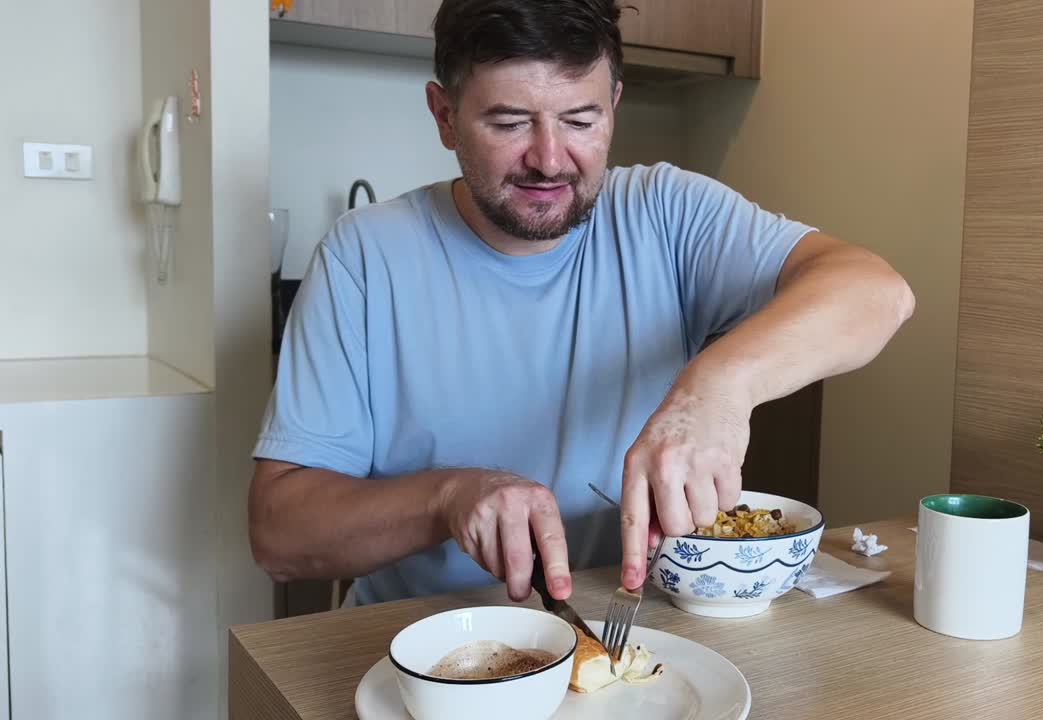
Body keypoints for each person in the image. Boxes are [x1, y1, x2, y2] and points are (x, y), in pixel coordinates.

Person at [248, 0, 914, 608]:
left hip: (637, 635)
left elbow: (876, 292)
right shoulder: (364, 256)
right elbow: (278, 534)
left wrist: (716, 390)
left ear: (615, 106)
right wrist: (449, 499)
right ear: (445, 117)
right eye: (509, 122)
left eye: (580, 120)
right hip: (420, 646)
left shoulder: (666, 212)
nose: (549, 158)